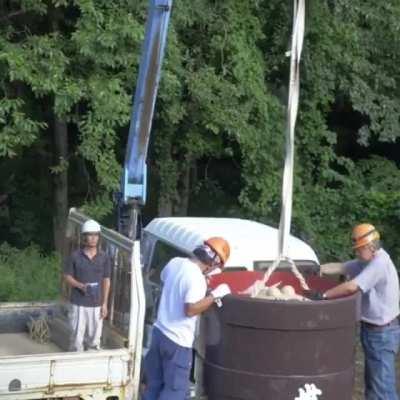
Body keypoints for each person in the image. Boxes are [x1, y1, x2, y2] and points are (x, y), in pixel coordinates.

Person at [142, 237, 232, 400]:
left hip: (159, 333)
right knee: (174, 392)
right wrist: (214, 295)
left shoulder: (175, 262)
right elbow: (190, 310)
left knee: (154, 385)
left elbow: (165, 278)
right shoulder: (196, 278)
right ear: (213, 262)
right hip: (177, 342)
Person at [318, 223, 400, 400]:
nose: (356, 252)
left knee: (383, 389)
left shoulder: (379, 263)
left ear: (371, 246)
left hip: (382, 334)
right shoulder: (366, 260)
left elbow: (351, 287)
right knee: (373, 386)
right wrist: (318, 268)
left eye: (358, 249)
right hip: (374, 331)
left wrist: (323, 295)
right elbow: (340, 267)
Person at [64, 219, 111, 351]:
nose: (93, 238)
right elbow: (67, 276)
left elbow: (106, 280)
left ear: (99, 237)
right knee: (76, 341)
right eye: (90, 235)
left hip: (96, 305)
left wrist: (105, 303)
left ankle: (92, 367)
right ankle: (74, 365)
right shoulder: (75, 256)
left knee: (94, 342)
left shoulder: (104, 257)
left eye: (95, 235)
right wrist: (80, 286)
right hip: (78, 304)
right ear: (84, 237)